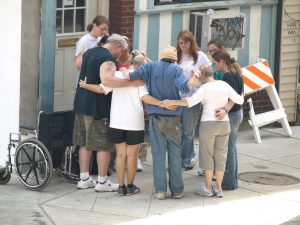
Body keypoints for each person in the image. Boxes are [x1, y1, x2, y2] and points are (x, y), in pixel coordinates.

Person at [120, 46, 197, 200]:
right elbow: (185, 88)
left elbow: (130, 76)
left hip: (155, 117)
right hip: (174, 118)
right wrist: (194, 77)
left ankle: (160, 191)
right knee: (175, 155)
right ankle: (177, 191)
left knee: (158, 155)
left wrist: (123, 69)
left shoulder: (150, 66)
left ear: (161, 57)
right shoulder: (176, 70)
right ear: (175, 59)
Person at [160, 64, 244, 198]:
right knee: (221, 156)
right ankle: (219, 188)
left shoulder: (204, 88)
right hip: (224, 123)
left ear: (203, 76)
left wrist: (172, 102)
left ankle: (207, 188)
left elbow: (190, 102)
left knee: (207, 156)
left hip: (208, 124)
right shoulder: (224, 84)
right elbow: (239, 99)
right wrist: (241, 94)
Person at [73, 34, 129, 192]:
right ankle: (102, 182)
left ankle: (84, 178)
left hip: (81, 104)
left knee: (85, 143)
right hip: (98, 107)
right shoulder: (108, 59)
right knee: (103, 145)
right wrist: (130, 83)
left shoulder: (90, 52)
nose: (121, 54)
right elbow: (107, 81)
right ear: (117, 45)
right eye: (122, 50)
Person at [176, 30, 211, 171]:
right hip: (177, 98)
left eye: (185, 42)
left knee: (188, 131)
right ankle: (180, 156)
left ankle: (187, 158)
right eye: (180, 42)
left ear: (191, 42)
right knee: (177, 131)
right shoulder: (176, 56)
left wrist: (197, 74)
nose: (183, 45)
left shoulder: (200, 56)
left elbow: (209, 70)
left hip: (193, 97)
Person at [212, 51, 244, 190]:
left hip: (231, 115)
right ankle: (232, 180)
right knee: (231, 147)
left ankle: (229, 182)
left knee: (228, 148)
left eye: (215, 63)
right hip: (238, 113)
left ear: (222, 63)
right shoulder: (237, 75)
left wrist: (225, 110)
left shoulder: (229, 78)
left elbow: (232, 98)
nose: (214, 66)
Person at [198, 38, 225, 176]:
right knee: (209, 144)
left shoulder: (224, 68)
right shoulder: (212, 67)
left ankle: (215, 173)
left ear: (222, 49)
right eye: (209, 51)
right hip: (211, 107)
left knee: (218, 146)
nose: (212, 53)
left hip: (222, 109)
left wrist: (226, 109)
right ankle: (209, 170)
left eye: (214, 50)